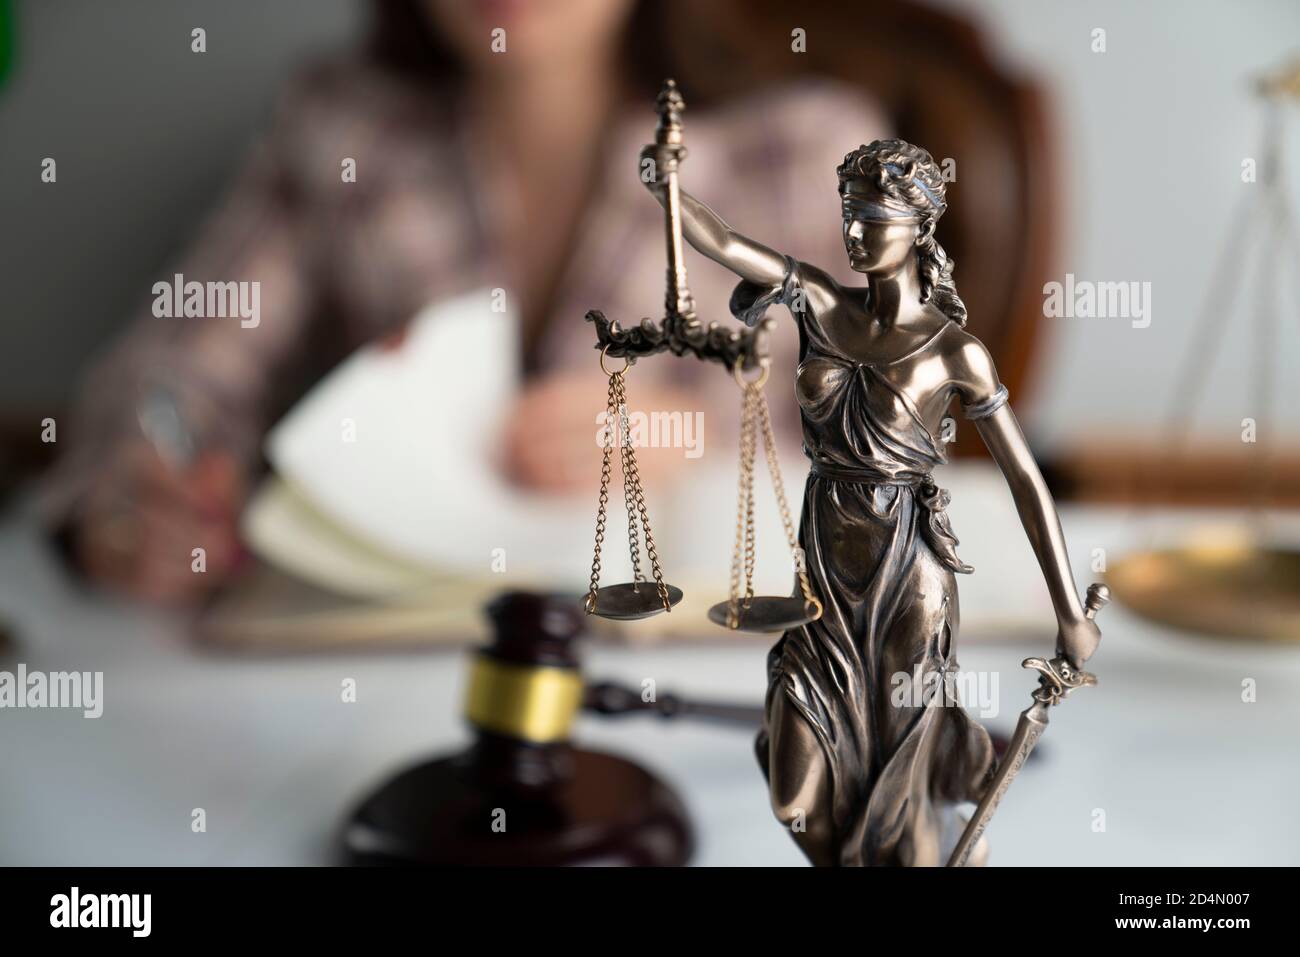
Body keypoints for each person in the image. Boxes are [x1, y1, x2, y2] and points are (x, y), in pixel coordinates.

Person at [42, 0, 885, 605]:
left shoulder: (804, 148)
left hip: (700, 665)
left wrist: (684, 429)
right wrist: (138, 491)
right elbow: (173, 367)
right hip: (380, 674)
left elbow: (893, 434)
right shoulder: (340, 132)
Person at [641, 137, 1102, 866]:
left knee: (902, 779)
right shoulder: (820, 302)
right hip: (823, 570)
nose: (854, 234)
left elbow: (1025, 480)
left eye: (873, 219)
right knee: (796, 796)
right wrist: (667, 188)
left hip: (906, 576)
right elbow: (724, 241)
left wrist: (1069, 610)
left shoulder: (956, 351)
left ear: (918, 224)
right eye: (849, 216)